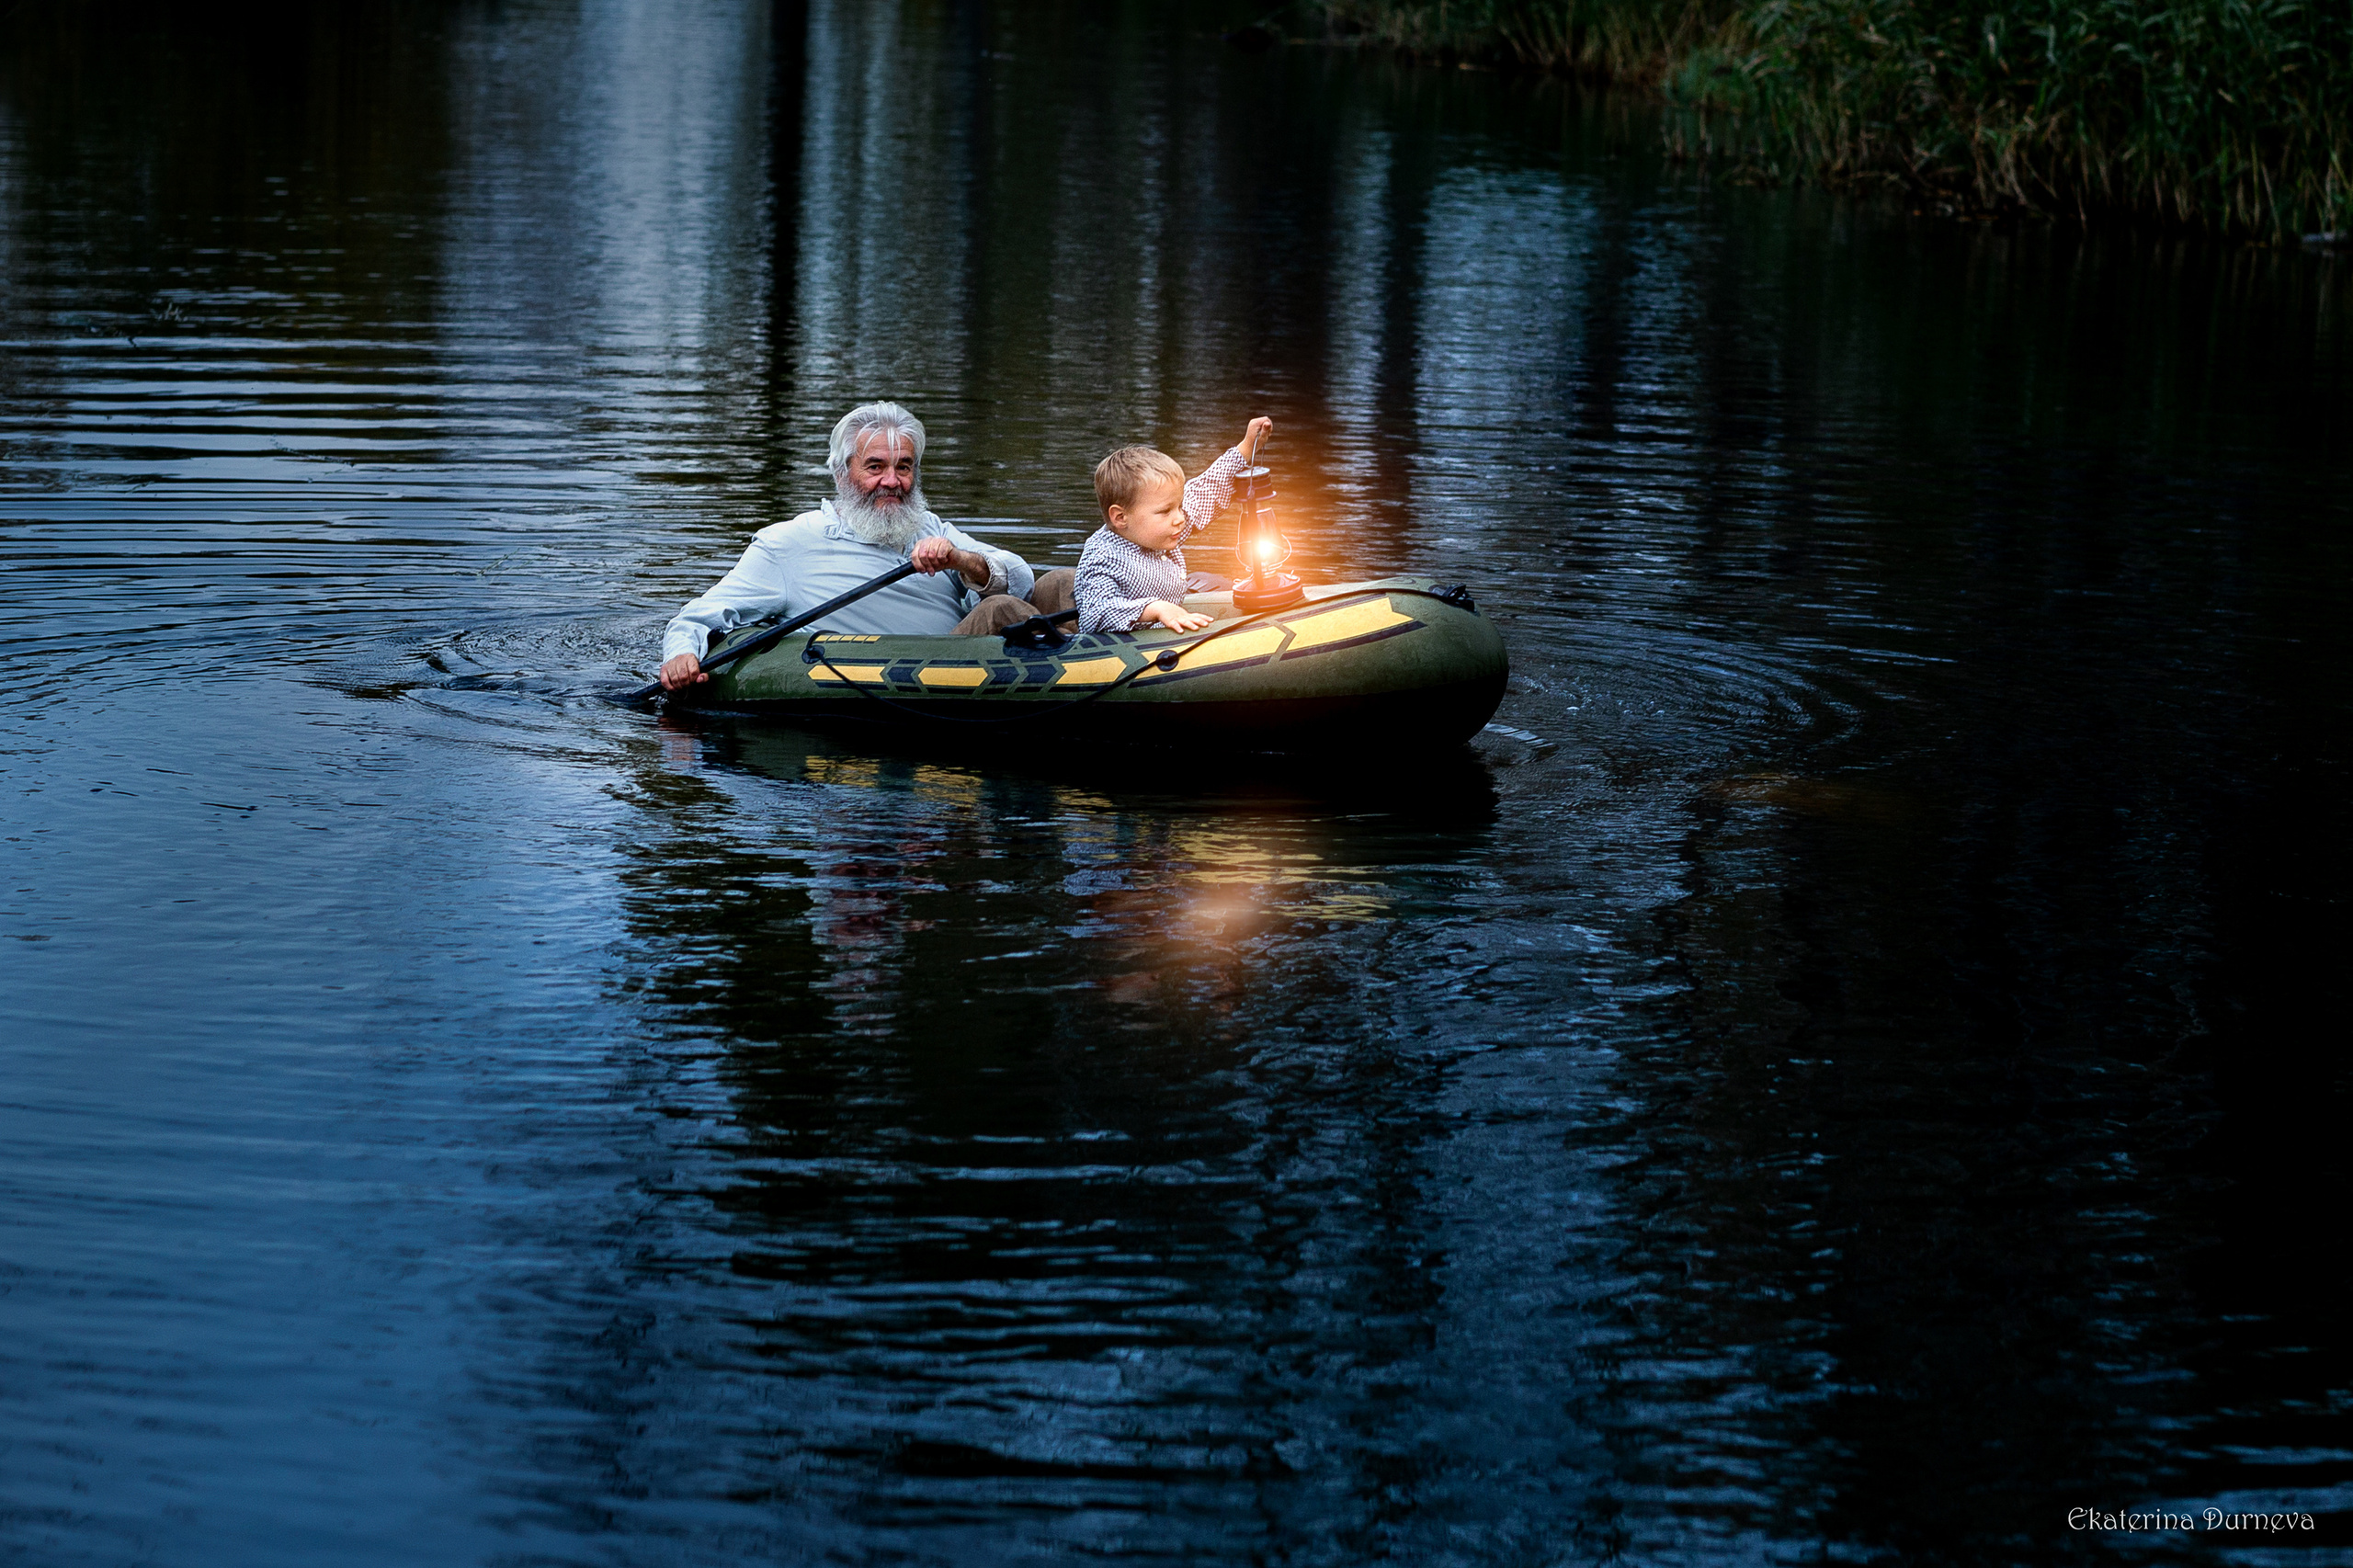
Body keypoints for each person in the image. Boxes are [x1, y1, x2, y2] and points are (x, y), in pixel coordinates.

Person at [657, 402, 1074, 692]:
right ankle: (1086, 680)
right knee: (1001, 612)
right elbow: (698, 616)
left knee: (1062, 582)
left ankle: (1119, 675)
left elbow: (1021, 579)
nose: (892, 481)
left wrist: (960, 559)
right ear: (841, 474)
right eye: (875, 467)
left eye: (904, 467)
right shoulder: (787, 544)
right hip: (919, 676)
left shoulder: (927, 527)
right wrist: (680, 657)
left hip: (973, 654)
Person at [1074, 416, 1271, 634]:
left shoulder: (1158, 532)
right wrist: (1154, 608)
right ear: (1121, 517)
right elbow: (1095, 614)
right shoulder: (1103, 557)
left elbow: (1205, 490)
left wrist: (1246, 447)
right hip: (1126, 652)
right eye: (1166, 511)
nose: (1180, 518)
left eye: (1178, 506)